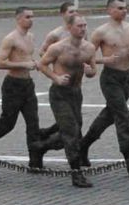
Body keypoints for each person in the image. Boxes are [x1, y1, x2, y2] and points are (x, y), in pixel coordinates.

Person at [79, 0, 129, 175]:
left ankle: (83, 145)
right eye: (119, 8)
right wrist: (104, 60)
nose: (124, 11)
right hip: (110, 78)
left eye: (125, 8)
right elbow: (87, 56)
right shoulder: (101, 32)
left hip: (126, 76)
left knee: (109, 115)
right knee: (123, 115)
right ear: (109, 10)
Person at [0, 7, 57, 171]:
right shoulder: (10, 39)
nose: (31, 20)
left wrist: (35, 63)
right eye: (27, 17)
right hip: (13, 85)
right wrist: (24, 64)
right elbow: (1, 63)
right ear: (18, 19)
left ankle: (35, 163)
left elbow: (26, 57)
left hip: (27, 85)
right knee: (7, 123)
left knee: (33, 123)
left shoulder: (30, 37)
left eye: (32, 16)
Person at [39, 13, 100, 188]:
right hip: (59, 93)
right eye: (79, 26)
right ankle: (76, 172)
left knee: (75, 129)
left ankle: (40, 147)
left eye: (85, 26)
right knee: (71, 131)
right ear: (70, 28)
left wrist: (90, 72)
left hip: (75, 93)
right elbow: (42, 65)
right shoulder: (58, 48)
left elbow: (93, 71)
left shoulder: (89, 48)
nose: (83, 29)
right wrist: (55, 78)